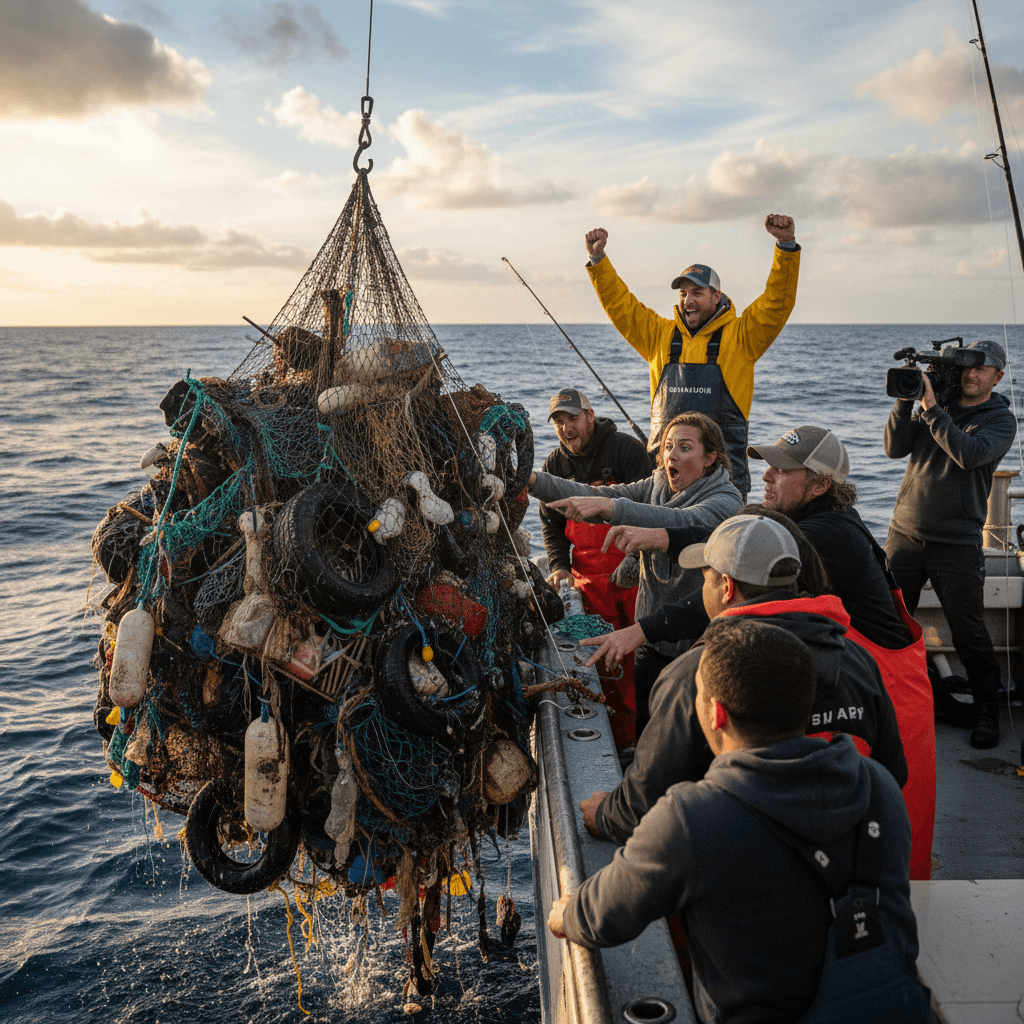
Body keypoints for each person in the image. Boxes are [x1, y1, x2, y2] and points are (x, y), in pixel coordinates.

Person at [548, 617, 929, 1024]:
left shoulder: (690, 818)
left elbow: (603, 916)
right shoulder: (879, 787)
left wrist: (567, 913)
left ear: (716, 714)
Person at [581, 515, 907, 847]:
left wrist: (604, 813)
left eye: (704, 578)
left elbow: (640, 808)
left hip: (735, 864)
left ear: (726, 587)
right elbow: (893, 774)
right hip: (842, 860)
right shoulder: (857, 658)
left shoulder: (693, 674)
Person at [528, 411, 742, 734]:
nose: (671, 454)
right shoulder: (657, 483)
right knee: (645, 729)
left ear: (710, 458)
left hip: (696, 648)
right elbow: (598, 495)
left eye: (685, 447)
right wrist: (531, 481)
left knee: (685, 738)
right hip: (650, 638)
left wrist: (613, 510)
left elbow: (685, 523)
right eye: (668, 446)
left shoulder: (726, 500)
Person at [583, 215, 800, 496]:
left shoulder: (742, 337)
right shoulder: (659, 335)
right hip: (665, 482)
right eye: (684, 293)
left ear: (716, 296)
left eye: (697, 292)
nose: (688, 300)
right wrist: (598, 260)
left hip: (723, 485)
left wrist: (785, 246)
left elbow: (776, 304)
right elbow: (620, 305)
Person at [884, 339, 1017, 749]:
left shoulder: (1000, 420)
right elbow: (894, 448)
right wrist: (906, 402)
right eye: (966, 368)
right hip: (904, 532)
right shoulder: (936, 402)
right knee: (888, 623)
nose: (970, 375)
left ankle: (987, 710)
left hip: (957, 542)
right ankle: (891, 701)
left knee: (969, 633)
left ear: (997, 376)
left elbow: (968, 453)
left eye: (981, 370)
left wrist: (931, 409)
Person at [539, 386, 652, 746]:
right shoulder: (553, 466)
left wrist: (637, 558)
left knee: (641, 660)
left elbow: (653, 507)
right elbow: (551, 526)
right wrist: (558, 566)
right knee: (605, 663)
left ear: (590, 416)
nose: (566, 428)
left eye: (572, 418)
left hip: (632, 576)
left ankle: (647, 737)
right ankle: (620, 742)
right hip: (588, 582)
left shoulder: (626, 450)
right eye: (558, 421)